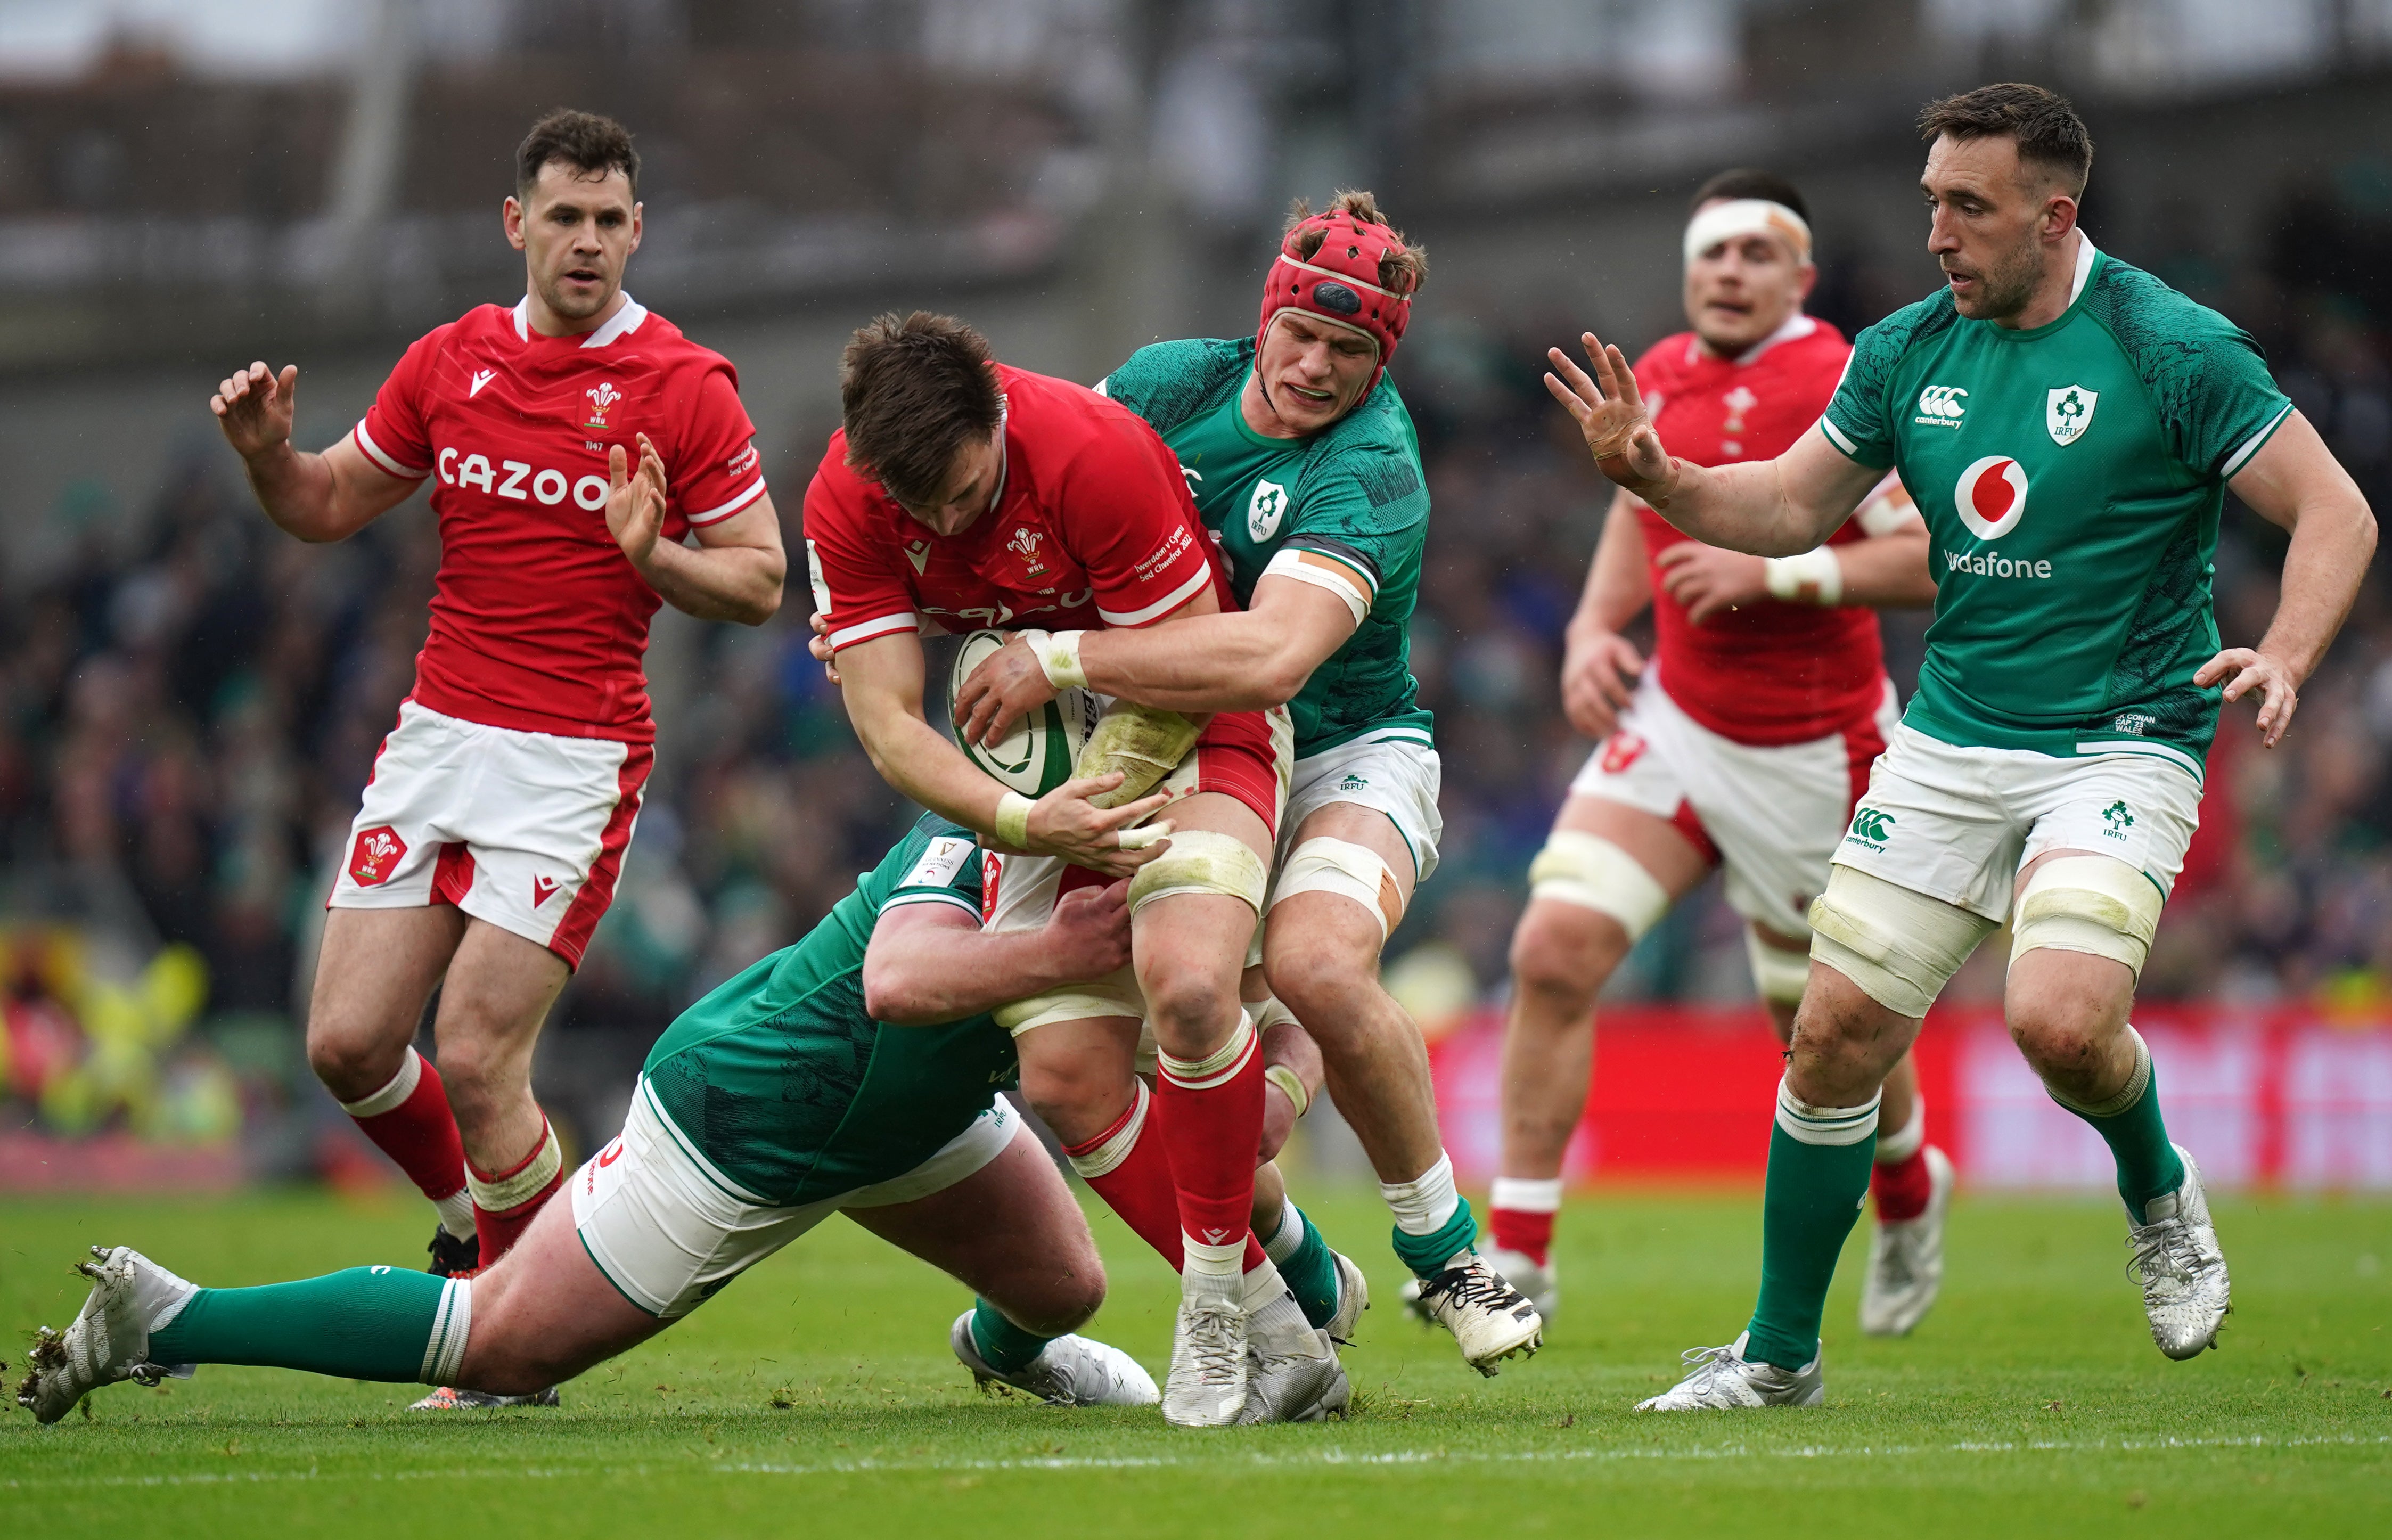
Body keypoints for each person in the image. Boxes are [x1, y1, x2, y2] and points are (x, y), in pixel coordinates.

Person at [1546, 83, 2375, 1411]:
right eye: (1930, 199)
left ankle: (2156, 1188)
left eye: (1967, 206)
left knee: (2053, 1023)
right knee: (1828, 1040)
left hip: (2119, 743)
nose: (1935, 230)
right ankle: (1775, 1360)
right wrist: (1657, 479)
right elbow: (1783, 508)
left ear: (2053, 218)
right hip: (1946, 742)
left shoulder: (2170, 344)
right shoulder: (1903, 350)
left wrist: (2282, 654)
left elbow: (2333, 511)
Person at [206, 108, 787, 1411]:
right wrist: (264, 462)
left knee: (475, 1056)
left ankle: (509, 1347)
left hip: (574, 761)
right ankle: (487, 1222)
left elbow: (758, 580)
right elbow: (322, 504)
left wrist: (656, 558)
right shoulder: (448, 360)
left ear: (639, 231)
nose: (586, 242)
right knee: (348, 1046)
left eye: (609, 220)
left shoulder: (683, 387)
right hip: (438, 738)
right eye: (563, 217)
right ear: (516, 225)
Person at [19, 813, 1166, 1426]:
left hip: (910, 1120)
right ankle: (167, 1319)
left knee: (1063, 1290)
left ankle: (996, 1353)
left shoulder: (1139, 835)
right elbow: (901, 985)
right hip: (751, 1114)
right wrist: (1057, 953)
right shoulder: (984, 822)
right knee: (502, 1347)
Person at [951, 191, 1544, 1376]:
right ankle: (1241, 1290)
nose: (1317, 368)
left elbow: (1272, 657)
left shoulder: (1371, 471)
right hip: (1170, 743)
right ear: (1263, 315)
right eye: (1301, 336)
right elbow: (1037, 503)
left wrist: (1057, 658)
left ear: (1385, 360)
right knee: (1120, 1084)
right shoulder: (1165, 383)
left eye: (1352, 349)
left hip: (1341, 754)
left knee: (1319, 965)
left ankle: (1448, 1259)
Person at [801, 313, 1324, 1428]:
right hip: (1049, 784)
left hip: (1197, 721)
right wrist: (1029, 822)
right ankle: (1289, 1333)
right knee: (1064, 1080)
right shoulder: (846, 499)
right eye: (918, 505)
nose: (943, 521)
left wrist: (1079, 767)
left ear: (996, 412)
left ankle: (1219, 1314)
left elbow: (1195, 671)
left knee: (1186, 987)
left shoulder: (1092, 453)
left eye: (964, 490)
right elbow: (889, 724)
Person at [1487, 171, 1945, 1337]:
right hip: (1678, 726)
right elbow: (1634, 512)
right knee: (1550, 950)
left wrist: (1778, 569)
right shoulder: (1662, 372)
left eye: (1756, 251)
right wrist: (1595, 627)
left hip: (1812, 750)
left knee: (1828, 1038)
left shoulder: (1843, 378)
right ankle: (1517, 1256)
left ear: (1799, 276)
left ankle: (1905, 1189)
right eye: (1712, 253)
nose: (1730, 271)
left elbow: (1933, 559)